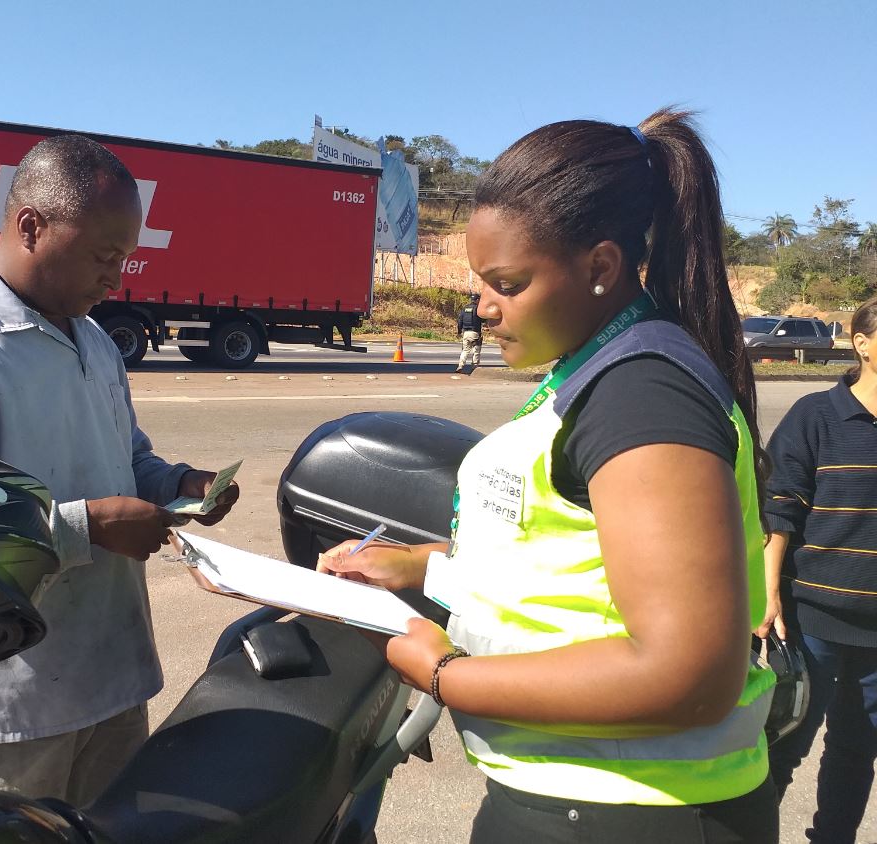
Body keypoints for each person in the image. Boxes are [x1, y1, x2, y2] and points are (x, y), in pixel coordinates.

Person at [318, 110, 779, 843]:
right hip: (583, 799)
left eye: (507, 282)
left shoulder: (641, 393)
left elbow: (687, 672)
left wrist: (442, 675)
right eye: (481, 282)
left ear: (600, 267)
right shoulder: (594, 374)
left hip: (630, 811)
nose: (482, 308)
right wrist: (417, 567)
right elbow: (563, 575)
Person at [0, 134, 239, 806]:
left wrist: (178, 486)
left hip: (109, 671)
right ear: (30, 226)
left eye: (124, 258)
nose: (116, 277)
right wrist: (87, 528)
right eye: (104, 255)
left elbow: (128, 458)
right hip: (12, 695)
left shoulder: (94, 340)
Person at [758, 296, 877, 843]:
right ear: (863, 343)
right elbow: (781, 510)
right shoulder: (817, 416)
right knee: (783, 744)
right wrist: (770, 593)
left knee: (857, 750)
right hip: (812, 620)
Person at [455, 292, 484, 373]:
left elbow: (460, 320)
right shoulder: (477, 309)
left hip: (466, 333)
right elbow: (483, 319)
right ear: (477, 300)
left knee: (465, 350)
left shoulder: (464, 308)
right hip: (475, 333)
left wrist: (459, 331)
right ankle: (474, 367)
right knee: (476, 350)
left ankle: (460, 365)